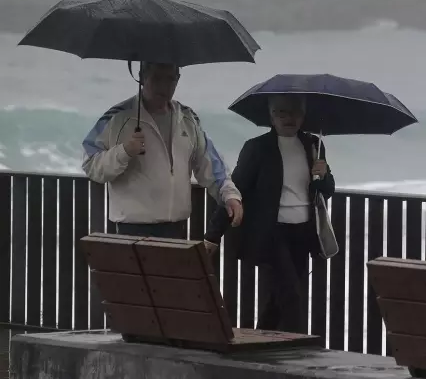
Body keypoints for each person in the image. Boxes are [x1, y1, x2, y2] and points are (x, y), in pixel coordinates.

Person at [204, 94, 334, 332]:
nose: (288, 117)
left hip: (303, 233)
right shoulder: (257, 147)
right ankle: (299, 356)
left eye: (295, 112)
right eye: (281, 112)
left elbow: (327, 190)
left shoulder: (314, 145)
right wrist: (213, 234)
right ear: (271, 116)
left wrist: (324, 175)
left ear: (303, 116)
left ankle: (260, 343)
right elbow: (236, 189)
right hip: (271, 234)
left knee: (277, 300)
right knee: (292, 296)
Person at [81, 61, 243, 238]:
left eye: (171, 79)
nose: (164, 86)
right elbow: (91, 163)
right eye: (157, 78)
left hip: (176, 228)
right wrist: (124, 151)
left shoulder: (188, 118)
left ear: (178, 79)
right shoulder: (117, 117)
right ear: (142, 77)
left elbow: (211, 166)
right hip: (131, 229)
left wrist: (230, 196)